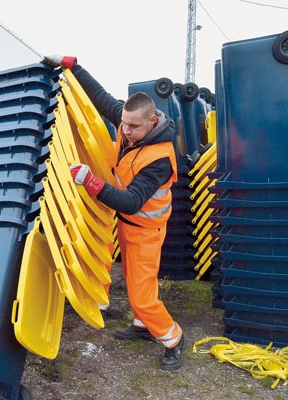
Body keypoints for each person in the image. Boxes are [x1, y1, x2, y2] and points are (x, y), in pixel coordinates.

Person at [43, 55, 185, 371]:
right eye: (124, 123)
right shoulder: (128, 121)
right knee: (139, 287)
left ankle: (173, 339)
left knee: (143, 295)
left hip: (145, 230)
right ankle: (142, 326)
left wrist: (91, 182)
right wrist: (72, 65)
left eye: (133, 126)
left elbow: (132, 200)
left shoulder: (160, 158)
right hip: (128, 224)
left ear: (152, 122)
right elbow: (102, 96)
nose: (126, 130)